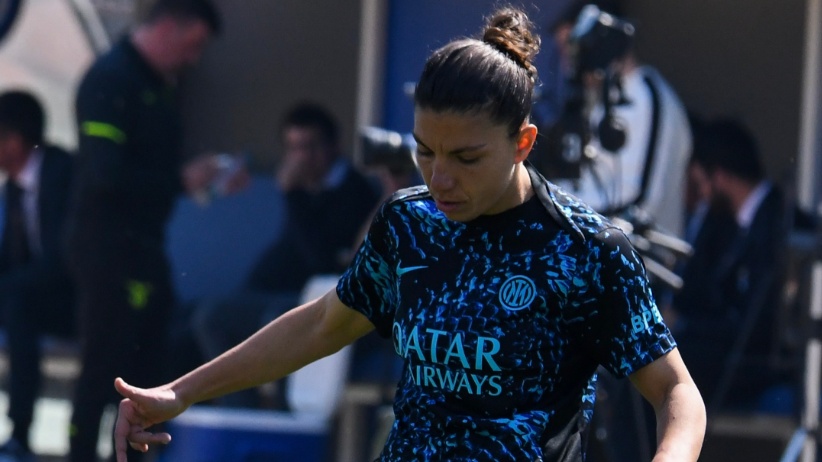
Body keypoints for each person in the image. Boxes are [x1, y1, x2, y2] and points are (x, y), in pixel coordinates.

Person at [112, 7, 706, 462]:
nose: (439, 177)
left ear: (522, 143)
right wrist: (180, 392)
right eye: (425, 151)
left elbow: (677, 393)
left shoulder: (586, 250)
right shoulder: (408, 225)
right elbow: (321, 325)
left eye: (466, 158)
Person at [63, 1, 244, 460]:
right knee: (102, 365)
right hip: (106, 249)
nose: (193, 58)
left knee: (150, 369)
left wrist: (208, 182)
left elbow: (153, 170)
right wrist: (181, 181)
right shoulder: (111, 80)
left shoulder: (160, 86)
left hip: (146, 248)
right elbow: (104, 175)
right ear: (166, 27)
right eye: (192, 44)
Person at [190, 101, 381, 408]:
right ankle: (242, 418)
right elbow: (285, 257)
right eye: (294, 148)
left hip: (330, 308)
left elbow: (322, 261)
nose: (302, 158)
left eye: (310, 147)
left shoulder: (354, 191)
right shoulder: (305, 190)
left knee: (278, 322)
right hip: (285, 296)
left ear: (333, 146)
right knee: (207, 317)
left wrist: (293, 195)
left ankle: (283, 421)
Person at [534, 1, 692, 238]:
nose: (568, 65)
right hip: (598, 248)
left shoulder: (645, 95)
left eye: (572, 48)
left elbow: (637, 201)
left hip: (637, 257)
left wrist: (550, 207)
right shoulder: (600, 101)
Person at [669, 118, 789, 412]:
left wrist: (685, 326)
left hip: (760, 365)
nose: (702, 196)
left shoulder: (777, 223)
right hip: (734, 357)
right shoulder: (728, 225)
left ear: (719, 177)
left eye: (702, 184)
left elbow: (757, 321)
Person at [0, 90, 76, 462]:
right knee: (16, 300)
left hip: (79, 301)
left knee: (17, 302)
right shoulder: (13, 188)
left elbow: (64, 260)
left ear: (13, 141)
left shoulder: (65, 174)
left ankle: (20, 433)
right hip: (34, 295)